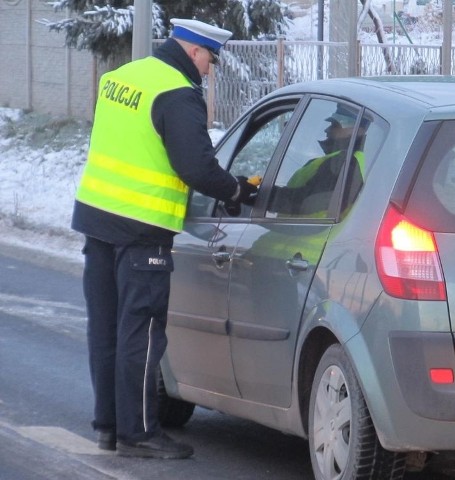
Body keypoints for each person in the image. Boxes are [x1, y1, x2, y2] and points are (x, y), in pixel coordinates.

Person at [71, 18, 257, 459]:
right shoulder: (177, 92)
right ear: (194, 51)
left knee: (107, 331)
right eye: (210, 60)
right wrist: (236, 191)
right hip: (142, 232)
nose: (209, 70)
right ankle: (138, 434)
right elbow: (194, 166)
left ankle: (109, 426)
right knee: (142, 333)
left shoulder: (122, 78)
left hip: (97, 222)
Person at [269, 106, 368, 217]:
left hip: (304, 233)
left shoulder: (340, 163)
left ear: (356, 131)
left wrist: (264, 197)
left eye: (335, 125)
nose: (327, 130)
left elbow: (304, 202)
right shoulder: (365, 161)